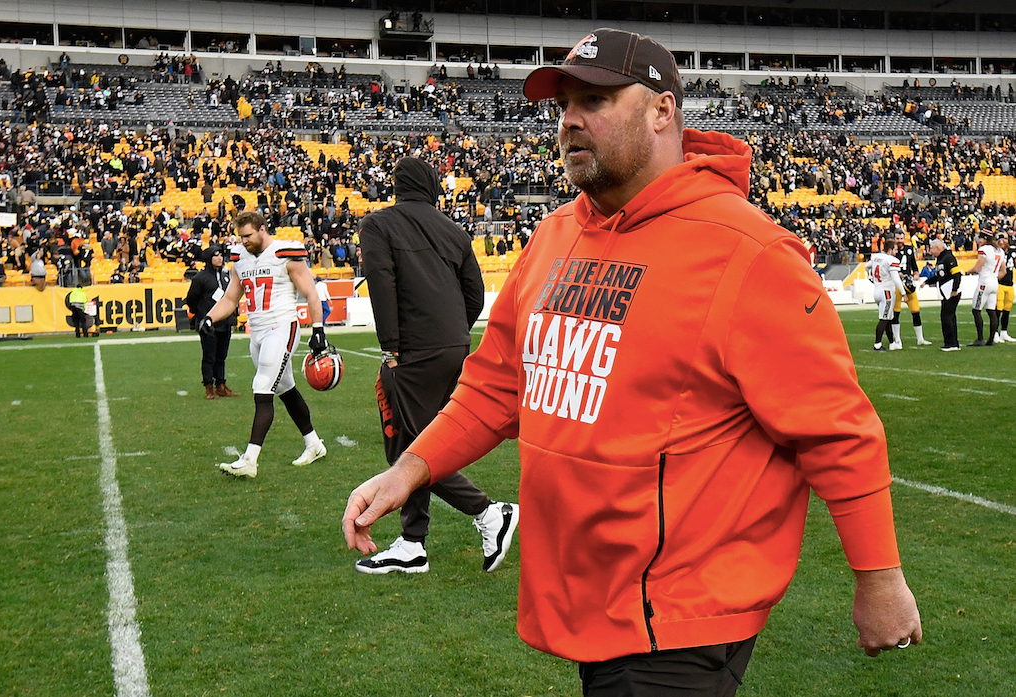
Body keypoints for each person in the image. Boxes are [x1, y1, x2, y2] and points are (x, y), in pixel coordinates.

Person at [342, 29, 920, 696]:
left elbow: (835, 430)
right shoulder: (555, 236)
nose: (569, 121)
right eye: (563, 104)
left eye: (595, 99)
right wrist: (410, 469)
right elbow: (496, 384)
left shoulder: (747, 252)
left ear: (662, 112)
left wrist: (878, 577)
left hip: (680, 613)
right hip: (590, 596)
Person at [355, 157, 518, 575]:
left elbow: (381, 281)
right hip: (454, 345)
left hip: (413, 349)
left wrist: (392, 345)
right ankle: (412, 543)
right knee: (413, 436)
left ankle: (487, 511)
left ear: (397, 184)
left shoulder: (379, 224)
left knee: (409, 442)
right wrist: (453, 332)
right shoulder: (453, 229)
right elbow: (475, 294)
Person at [200, 211, 327, 478]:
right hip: (257, 331)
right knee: (285, 388)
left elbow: (310, 293)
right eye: (240, 236)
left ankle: (250, 459)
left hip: (282, 327)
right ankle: (314, 444)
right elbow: (231, 299)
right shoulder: (240, 259)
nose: (244, 241)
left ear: (262, 229)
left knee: (261, 386)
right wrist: (210, 318)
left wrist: (318, 329)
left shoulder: (285, 253)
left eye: (248, 235)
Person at [184, 245, 239, 399]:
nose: (220, 258)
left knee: (222, 356)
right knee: (209, 356)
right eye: (216, 255)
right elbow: (191, 299)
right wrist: (201, 314)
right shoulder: (200, 278)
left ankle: (221, 385)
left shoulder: (226, 276)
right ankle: (209, 387)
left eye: (221, 255)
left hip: (225, 322)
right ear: (209, 258)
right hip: (208, 325)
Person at [866, 236, 906, 352]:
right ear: (890, 249)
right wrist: (903, 293)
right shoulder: (891, 260)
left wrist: (871, 276)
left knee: (888, 317)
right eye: (895, 249)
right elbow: (896, 279)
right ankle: (877, 344)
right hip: (886, 292)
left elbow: (866, 266)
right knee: (884, 319)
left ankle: (892, 343)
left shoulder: (876, 257)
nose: (896, 251)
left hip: (877, 291)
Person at [891, 230, 930, 347]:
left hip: (908, 284)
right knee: (896, 312)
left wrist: (916, 273)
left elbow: (914, 265)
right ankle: (897, 339)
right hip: (896, 285)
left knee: (915, 310)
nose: (899, 241)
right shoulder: (891, 251)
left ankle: (920, 338)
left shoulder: (909, 249)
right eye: (897, 239)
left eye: (901, 238)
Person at [968, 229, 1003, 346]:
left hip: (984, 282)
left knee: (976, 310)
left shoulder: (984, 250)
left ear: (984, 238)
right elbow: (1003, 271)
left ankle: (980, 338)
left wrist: (968, 271)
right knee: (991, 311)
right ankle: (991, 339)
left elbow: (978, 268)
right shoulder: (1000, 251)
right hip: (994, 282)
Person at [927, 237, 962, 351]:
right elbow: (939, 276)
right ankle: (951, 342)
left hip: (951, 292)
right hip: (946, 292)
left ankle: (952, 343)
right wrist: (927, 282)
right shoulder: (941, 259)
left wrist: (954, 289)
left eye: (932, 249)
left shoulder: (948, 258)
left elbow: (957, 274)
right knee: (948, 317)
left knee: (947, 317)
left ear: (938, 248)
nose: (930, 251)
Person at [995, 232, 1014, 343]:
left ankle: (1004, 332)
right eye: (999, 239)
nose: (1002, 241)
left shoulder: (1012, 251)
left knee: (1007, 310)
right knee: (998, 309)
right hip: (999, 284)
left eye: (1004, 239)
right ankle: (995, 333)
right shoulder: (996, 253)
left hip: (1010, 284)